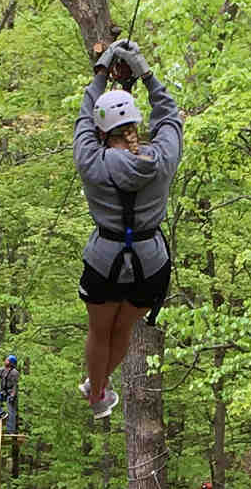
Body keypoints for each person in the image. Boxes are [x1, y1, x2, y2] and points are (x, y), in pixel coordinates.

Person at [73, 40, 183, 419]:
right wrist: (147, 74)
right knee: (123, 332)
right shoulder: (162, 159)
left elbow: (83, 119)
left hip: (105, 259)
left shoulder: (92, 161)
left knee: (100, 330)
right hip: (150, 263)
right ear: (135, 125)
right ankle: (97, 385)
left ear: (103, 132)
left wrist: (101, 74)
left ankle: (98, 392)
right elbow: (171, 118)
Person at [0, 354, 20, 432]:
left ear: (11, 362)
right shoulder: (2, 370)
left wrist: (12, 396)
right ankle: (1, 413)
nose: (5, 361)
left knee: (11, 412)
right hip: (3, 393)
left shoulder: (14, 373)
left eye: (7, 360)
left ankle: (11, 431)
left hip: (11, 394)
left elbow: (15, 385)